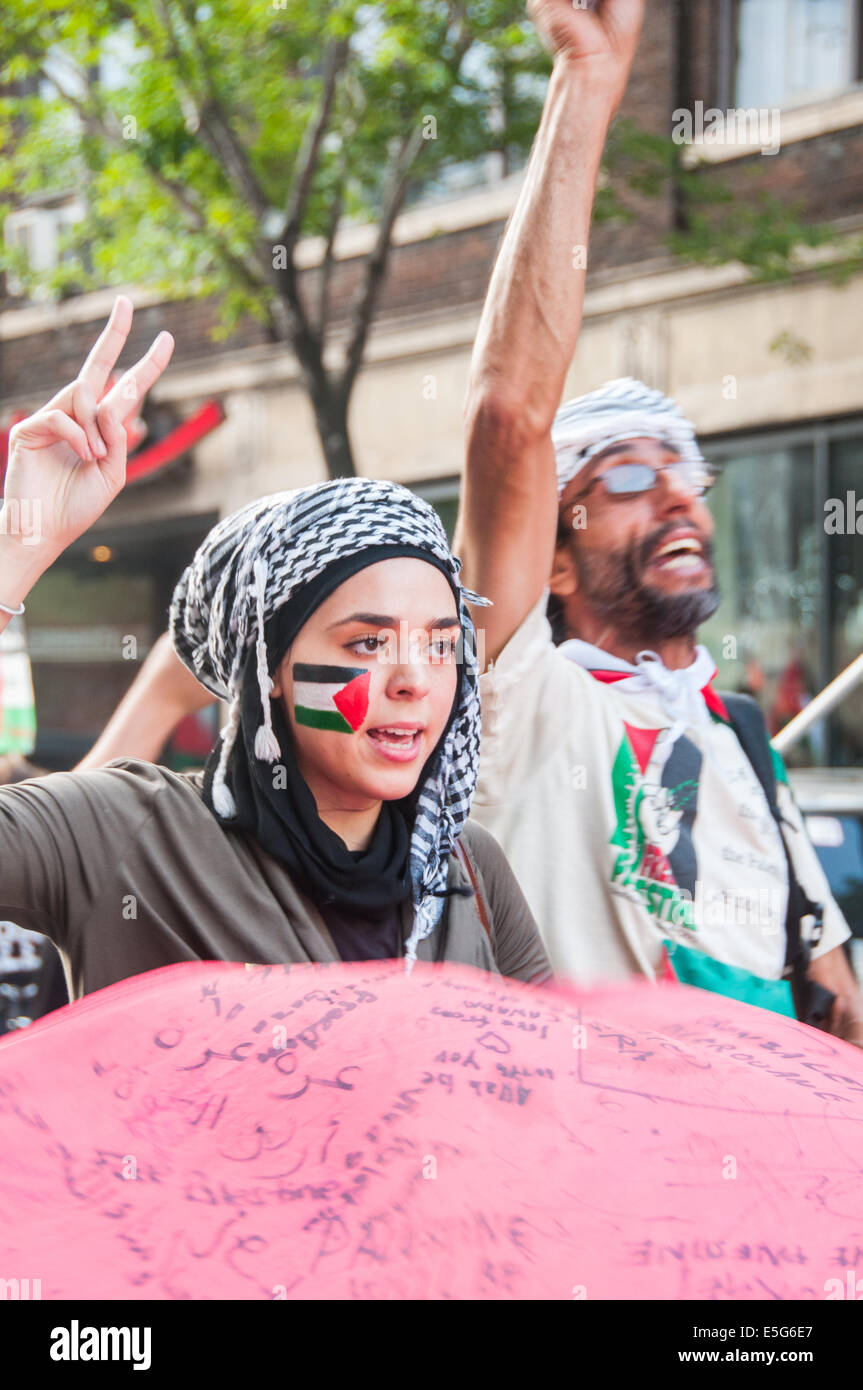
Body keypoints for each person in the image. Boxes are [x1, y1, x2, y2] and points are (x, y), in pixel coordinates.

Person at [452, 0, 863, 1040]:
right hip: (586, 1179)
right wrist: (584, 91)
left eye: (685, 472)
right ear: (548, 559)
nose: (678, 494)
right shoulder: (522, 707)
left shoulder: (735, 737)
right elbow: (508, 417)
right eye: (627, 478)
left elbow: (830, 1001)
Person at [0, 297, 551, 1001]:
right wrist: (15, 552)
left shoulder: (468, 866)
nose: (415, 678)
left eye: (442, 646)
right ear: (271, 671)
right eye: (369, 641)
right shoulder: (128, 834)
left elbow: (550, 1080)